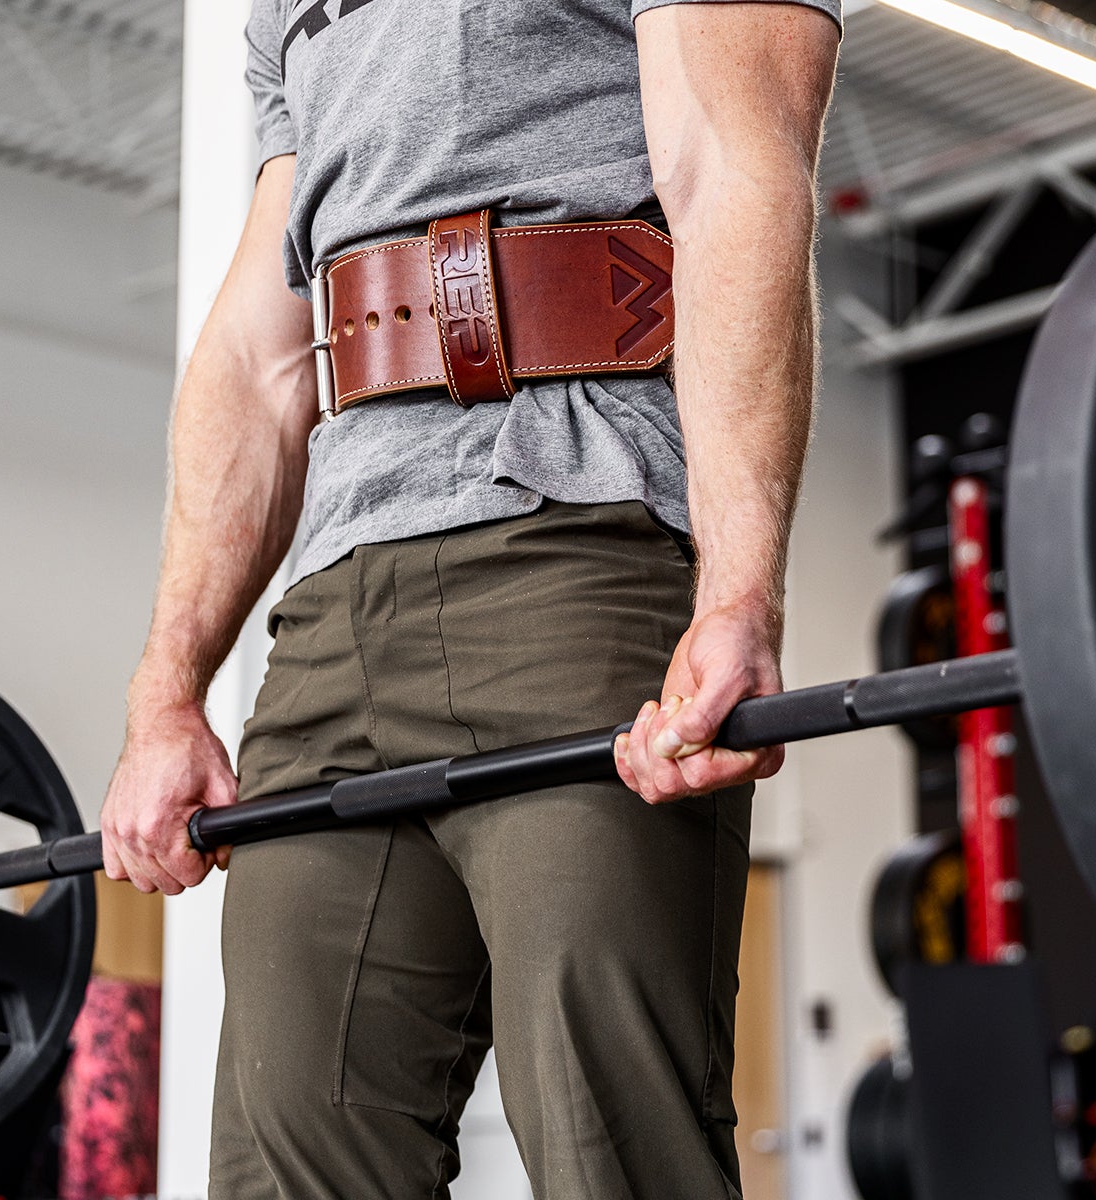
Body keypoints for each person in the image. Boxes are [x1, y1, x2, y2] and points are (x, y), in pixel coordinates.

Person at [101, 2, 841, 1195]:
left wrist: (739, 594)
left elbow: (736, 172)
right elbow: (261, 347)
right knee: (292, 1152)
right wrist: (167, 692)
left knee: (616, 1141)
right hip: (335, 612)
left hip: (577, 538)